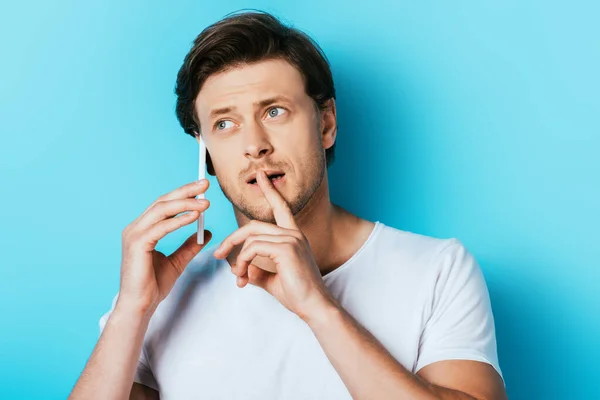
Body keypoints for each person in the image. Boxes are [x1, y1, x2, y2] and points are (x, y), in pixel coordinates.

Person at [69, 10, 506, 400]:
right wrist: (133, 310)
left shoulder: (437, 269)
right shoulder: (162, 297)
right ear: (206, 154)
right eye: (225, 123)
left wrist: (318, 306)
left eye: (274, 112)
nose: (254, 146)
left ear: (327, 123)